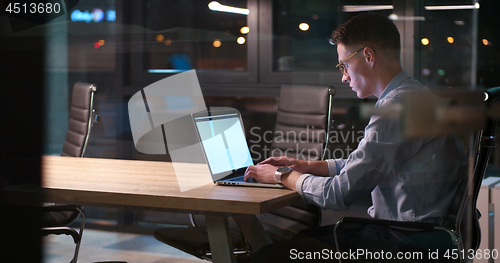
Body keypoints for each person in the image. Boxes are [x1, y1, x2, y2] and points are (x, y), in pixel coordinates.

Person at [244, 12, 467, 262]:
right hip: (422, 237)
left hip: (404, 244)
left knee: (269, 256)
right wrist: (307, 165)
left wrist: (280, 175)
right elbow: (366, 165)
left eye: (344, 65)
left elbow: (338, 194)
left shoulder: (397, 109)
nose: (343, 76)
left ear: (368, 56)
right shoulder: (414, 96)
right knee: (301, 240)